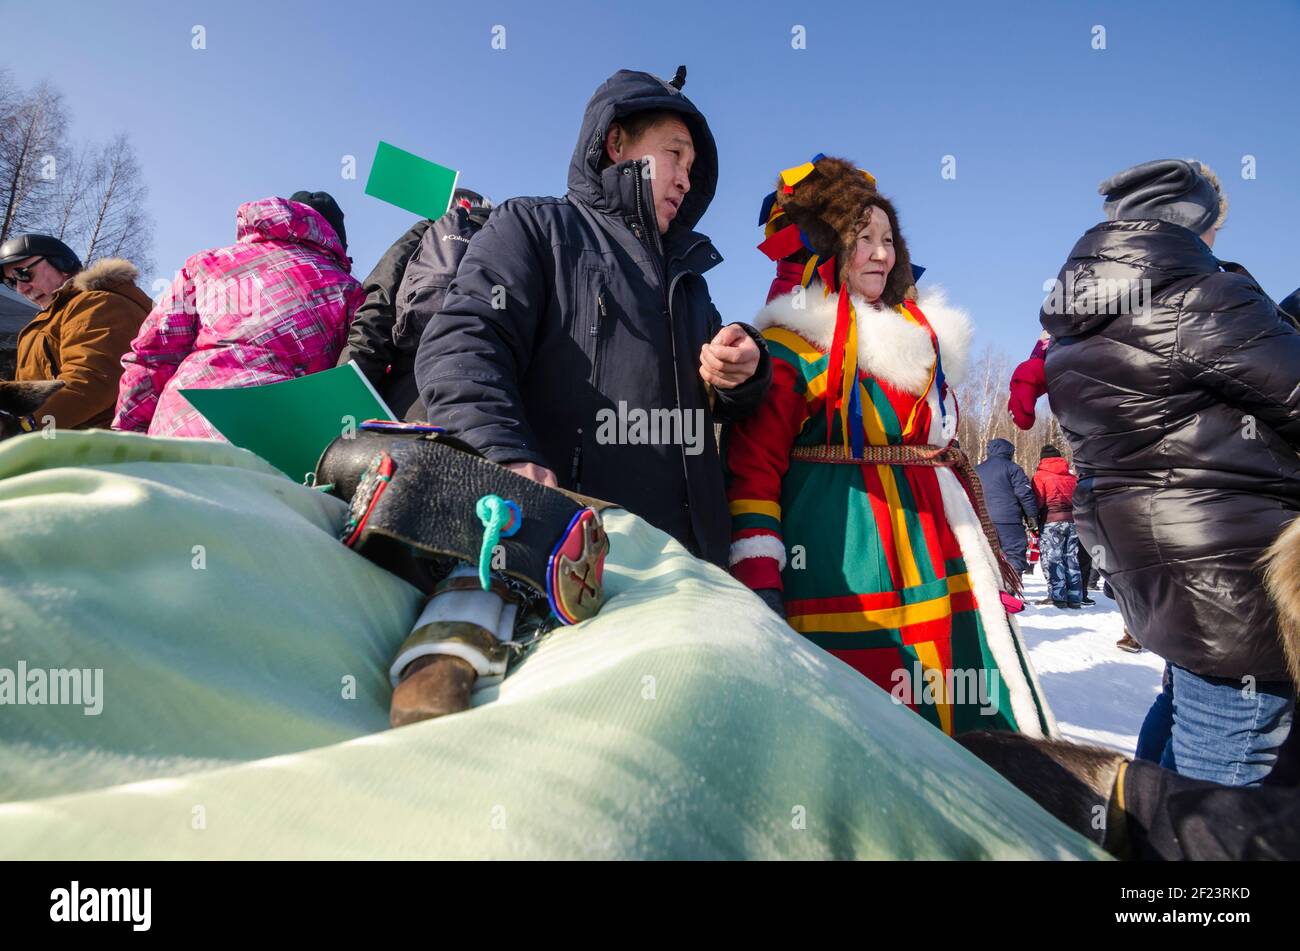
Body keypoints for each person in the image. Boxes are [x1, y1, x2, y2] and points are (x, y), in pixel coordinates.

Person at [724, 155, 1053, 738]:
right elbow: (754, 468)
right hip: (838, 559)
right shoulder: (788, 346)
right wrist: (760, 580)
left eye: (888, 239)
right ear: (826, 247)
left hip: (937, 553)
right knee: (868, 722)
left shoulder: (918, 346)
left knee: (953, 705)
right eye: (863, 238)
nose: (882, 253)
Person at [413, 66, 770, 569]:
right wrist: (502, 454)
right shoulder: (532, 228)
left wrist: (742, 370)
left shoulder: (689, 279)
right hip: (570, 553)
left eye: (692, 165)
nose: (687, 179)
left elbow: (720, 405)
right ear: (617, 142)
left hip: (691, 571)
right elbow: (463, 342)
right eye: (674, 154)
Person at [1041, 158, 1300, 785]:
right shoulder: (1203, 297)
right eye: (1215, 226)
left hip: (1159, 559)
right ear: (1192, 222)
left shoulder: (1083, 318)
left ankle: (1139, 835)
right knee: (1237, 758)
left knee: (1188, 704)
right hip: (1236, 565)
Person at [113, 193, 363, 438]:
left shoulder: (207, 263)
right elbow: (354, 373)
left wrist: (128, 433)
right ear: (335, 238)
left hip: (185, 425)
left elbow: (154, 355)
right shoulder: (348, 288)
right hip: (281, 435)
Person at [338, 189, 493, 419]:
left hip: (409, 407)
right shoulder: (509, 245)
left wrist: (343, 401)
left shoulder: (427, 232)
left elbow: (376, 315)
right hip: (488, 414)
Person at [0, 233, 150, 429]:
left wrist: (25, 425)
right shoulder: (53, 318)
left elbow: (92, 380)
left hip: (92, 450)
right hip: (50, 445)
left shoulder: (98, 304)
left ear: (61, 264)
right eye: (12, 282)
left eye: (23, 273)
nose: (21, 288)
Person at [1031, 445, 1083, 609]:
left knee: (1053, 558)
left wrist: (1033, 519)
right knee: (1071, 557)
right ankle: (1075, 597)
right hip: (1073, 522)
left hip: (1051, 521)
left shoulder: (1040, 476)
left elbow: (1038, 501)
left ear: (1042, 459)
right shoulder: (1072, 478)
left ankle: (1057, 595)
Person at [975, 438, 1037, 574]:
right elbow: (1025, 494)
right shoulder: (1013, 468)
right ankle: (1010, 588)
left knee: (986, 556)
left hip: (982, 521)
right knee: (1014, 556)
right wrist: (1032, 517)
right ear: (1010, 452)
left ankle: (991, 590)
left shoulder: (976, 470)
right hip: (1009, 521)